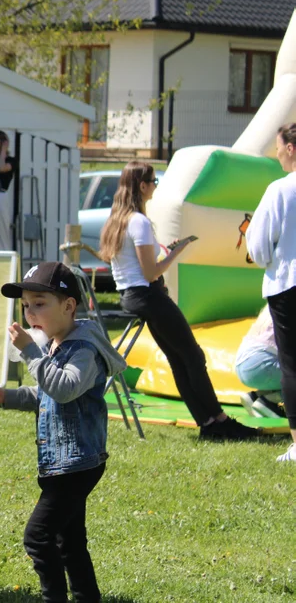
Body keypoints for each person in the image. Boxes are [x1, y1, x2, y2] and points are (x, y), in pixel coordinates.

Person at [0, 261, 126, 603]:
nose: (30, 313)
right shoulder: (56, 344)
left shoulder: (83, 349)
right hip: (63, 462)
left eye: (40, 303)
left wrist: (31, 350)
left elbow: (63, 388)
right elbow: (45, 395)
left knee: (37, 536)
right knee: (68, 539)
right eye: (26, 305)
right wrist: (7, 397)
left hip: (78, 463)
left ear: (69, 306)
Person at [98, 161, 256, 440]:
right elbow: (150, 273)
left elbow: (130, 267)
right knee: (193, 357)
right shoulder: (139, 221)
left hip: (130, 297)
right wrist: (177, 252)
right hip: (148, 296)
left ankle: (208, 422)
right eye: (153, 182)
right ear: (142, 186)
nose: (155, 187)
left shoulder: (116, 220)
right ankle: (218, 420)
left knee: (178, 359)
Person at [246, 121, 296, 461]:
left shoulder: (281, 189)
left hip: (288, 284)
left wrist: (267, 261)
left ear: (290, 148)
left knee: (291, 364)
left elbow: (259, 246)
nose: (276, 153)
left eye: (279, 146)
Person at [235, 306, 286, 419]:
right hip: (263, 366)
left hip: (244, 363)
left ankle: (255, 397)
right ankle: (268, 401)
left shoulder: (277, 299)